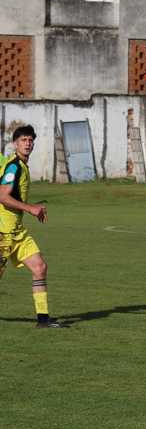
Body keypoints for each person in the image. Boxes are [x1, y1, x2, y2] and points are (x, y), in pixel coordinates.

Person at [0, 125, 66, 328]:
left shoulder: (22, 165)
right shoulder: (14, 167)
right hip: (3, 232)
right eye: (23, 140)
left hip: (17, 232)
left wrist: (32, 208)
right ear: (15, 143)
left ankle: (43, 320)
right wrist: (30, 208)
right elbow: (2, 196)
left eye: (30, 140)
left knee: (39, 267)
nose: (27, 144)